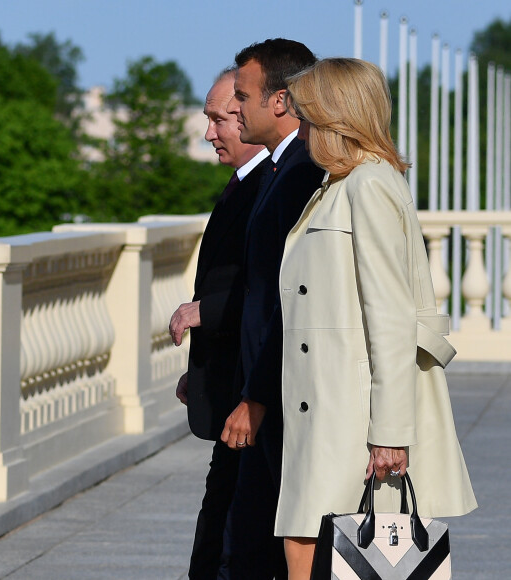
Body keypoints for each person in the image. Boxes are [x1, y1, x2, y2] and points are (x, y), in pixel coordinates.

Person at [277, 57, 478, 579]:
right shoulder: (340, 185)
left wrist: (389, 430)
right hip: (329, 402)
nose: (300, 132)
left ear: (334, 119)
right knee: (307, 545)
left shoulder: (367, 185)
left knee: (328, 553)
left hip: (353, 407)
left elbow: (390, 314)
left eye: (306, 118)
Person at [218, 39, 326, 579]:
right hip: (269, 394)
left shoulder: (303, 173)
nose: (234, 109)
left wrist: (256, 398)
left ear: (280, 101)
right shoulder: (281, 171)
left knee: (260, 551)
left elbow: (294, 304)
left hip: (285, 402)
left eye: (242, 96)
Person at [169, 68, 269, 580]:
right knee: (217, 545)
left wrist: (209, 312)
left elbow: (274, 290)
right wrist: (203, 366)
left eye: (218, 119)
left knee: (232, 550)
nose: (210, 133)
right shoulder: (245, 184)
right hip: (232, 388)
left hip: (253, 403)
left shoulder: (277, 185)